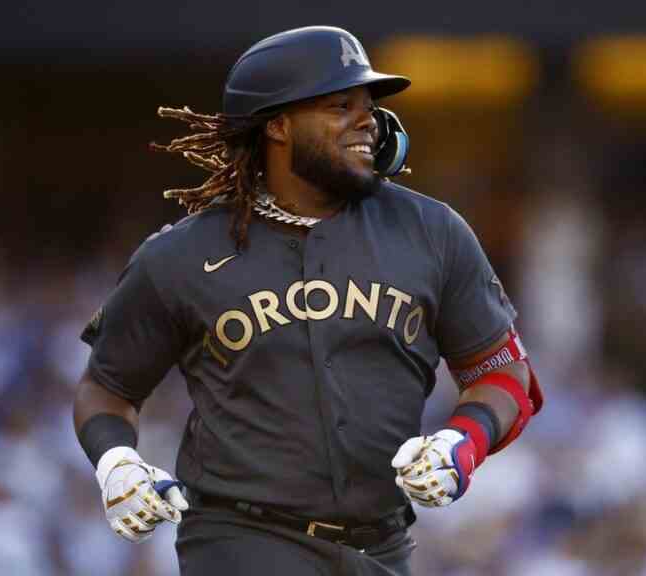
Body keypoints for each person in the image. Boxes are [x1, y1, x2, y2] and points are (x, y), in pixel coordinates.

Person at [73, 25, 543, 576]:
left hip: (382, 548)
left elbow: (505, 375)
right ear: (277, 125)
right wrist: (117, 464)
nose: (367, 120)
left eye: (369, 106)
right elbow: (107, 389)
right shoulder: (180, 255)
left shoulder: (432, 232)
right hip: (239, 540)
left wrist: (461, 443)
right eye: (340, 105)